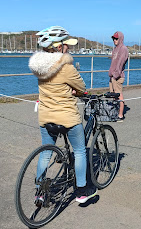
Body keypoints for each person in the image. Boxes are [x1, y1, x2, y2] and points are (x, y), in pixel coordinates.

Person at [29, 25, 97, 204]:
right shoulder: (66, 68)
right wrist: (76, 92)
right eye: (67, 45)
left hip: (45, 116)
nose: (69, 48)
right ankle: (81, 191)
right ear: (59, 47)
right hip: (67, 118)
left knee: (46, 153)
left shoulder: (39, 67)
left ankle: (40, 191)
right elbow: (82, 88)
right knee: (80, 150)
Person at [109, 31, 128, 121]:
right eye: (113, 38)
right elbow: (113, 63)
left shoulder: (123, 49)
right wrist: (111, 74)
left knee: (119, 95)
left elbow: (120, 63)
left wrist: (115, 75)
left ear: (120, 38)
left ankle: (120, 115)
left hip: (118, 76)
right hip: (112, 76)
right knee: (113, 95)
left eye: (116, 38)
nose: (114, 40)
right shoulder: (115, 49)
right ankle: (115, 113)